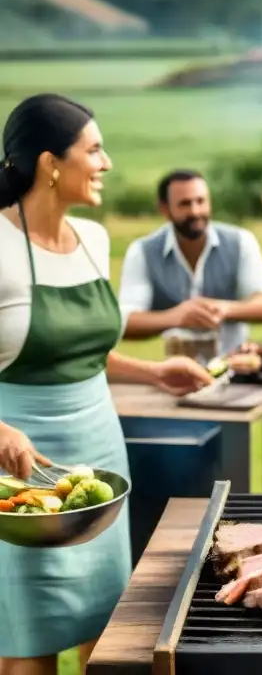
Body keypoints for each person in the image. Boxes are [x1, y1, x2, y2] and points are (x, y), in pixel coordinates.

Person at [0, 94, 213, 675]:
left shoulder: (94, 239)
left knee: (109, 632)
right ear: (50, 163)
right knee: (28, 641)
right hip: (18, 463)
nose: (107, 162)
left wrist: (152, 371)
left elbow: (81, 347)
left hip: (98, 448)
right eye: (94, 149)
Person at [117, 169, 262, 358]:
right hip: (176, 372)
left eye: (201, 201)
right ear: (164, 208)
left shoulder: (240, 241)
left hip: (236, 366)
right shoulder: (142, 251)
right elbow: (124, 322)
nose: (195, 211)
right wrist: (176, 317)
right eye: (185, 204)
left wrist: (224, 309)